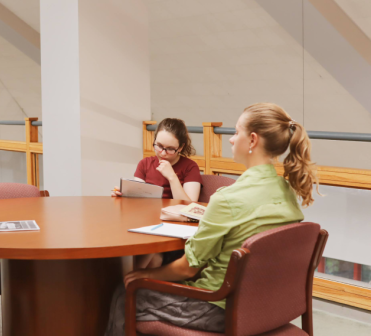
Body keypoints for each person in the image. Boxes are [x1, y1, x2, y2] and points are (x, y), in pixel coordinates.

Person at [105, 103, 319, 335]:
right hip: (268, 305)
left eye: (237, 132)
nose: (231, 139)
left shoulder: (227, 198)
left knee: (126, 291)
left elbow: (187, 270)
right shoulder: (286, 190)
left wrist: (141, 275)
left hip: (218, 306)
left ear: (253, 140)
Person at [112, 118, 203, 270]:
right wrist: (125, 194)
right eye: (159, 146)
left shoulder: (190, 167)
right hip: (146, 222)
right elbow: (137, 197)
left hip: (173, 226)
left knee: (152, 257)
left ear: (180, 147)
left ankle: (128, 284)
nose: (162, 153)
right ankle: (129, 284)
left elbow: (190, 206)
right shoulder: (145, 164)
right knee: (148, 256)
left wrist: (172, 176)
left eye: (169, 149)